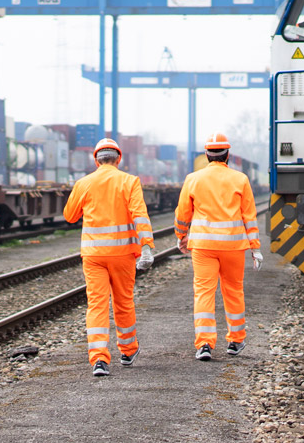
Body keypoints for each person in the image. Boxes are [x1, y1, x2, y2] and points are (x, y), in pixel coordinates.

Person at [63, 137, 155, 377]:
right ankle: (127, 351)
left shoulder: (84, 183)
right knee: (123, 302)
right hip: (123, 254)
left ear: (96, 160)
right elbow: (140, 215)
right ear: (119, 158)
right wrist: (146, 246)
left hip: (93, 256)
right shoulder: (129, 181)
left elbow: (70, 216)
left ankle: (99, 360)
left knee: (97, 304)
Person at [175, 132, 262, 361]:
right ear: (228, 155)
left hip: (203, 246)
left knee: (204, 292)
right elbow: (249, 217)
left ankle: (204, 344)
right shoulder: (240, 179)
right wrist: (255, 248)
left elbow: (183, 213)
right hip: (233, 247)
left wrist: (181, 235)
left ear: (206, 155)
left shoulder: (193, 179)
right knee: (233, 291)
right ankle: (235, 340)